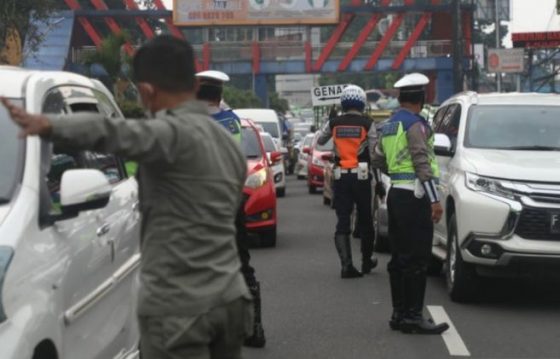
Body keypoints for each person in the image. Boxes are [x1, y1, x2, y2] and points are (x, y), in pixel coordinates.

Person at [2, 35, 254, 358]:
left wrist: (47, 124)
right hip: (229, 300)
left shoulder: (171, 134)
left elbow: (113, 133)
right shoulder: (226, 143)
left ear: (147, 92)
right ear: (193, 83)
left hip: (181, 311)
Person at [371, 73, 449, 334]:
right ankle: (414, 316)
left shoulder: (390, 125)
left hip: (396, 196)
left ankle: (399, 314)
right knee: (417, 258)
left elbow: (378, 159)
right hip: (416, 197)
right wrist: (434, 200)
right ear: (421, 98)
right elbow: (421, 162)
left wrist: (394, 174)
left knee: (399, 257)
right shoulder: (417, 125)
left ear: (402, 98)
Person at [196, 70, 266, 348]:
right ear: (219, 95)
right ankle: (254, 329)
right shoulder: (233, 122)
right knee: (241, 264)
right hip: (231, 201)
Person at [317, 85, 378, 278]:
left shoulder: (334, 123)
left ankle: (346, 265)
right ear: (361, 103)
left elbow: (320, 141)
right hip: (361, 177)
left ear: (343, 103)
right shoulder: (368, 124)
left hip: (340, 177)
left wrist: (330, 119)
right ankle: (366, 262)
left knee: (343, 220)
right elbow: (375, 154)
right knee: (366, 219)